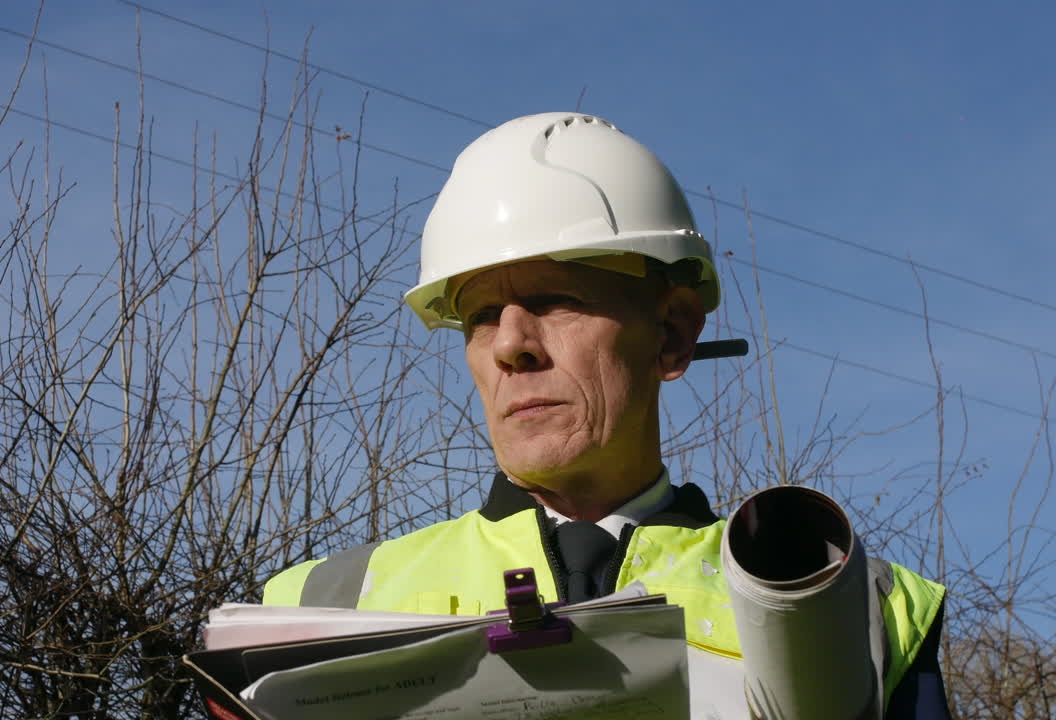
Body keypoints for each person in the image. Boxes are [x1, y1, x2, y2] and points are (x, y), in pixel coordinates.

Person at [263, 112, 950, 718]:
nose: (509, 345)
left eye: (554, 299)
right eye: (481, 316)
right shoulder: (318, 608)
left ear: (672, 334)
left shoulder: (852, 604)